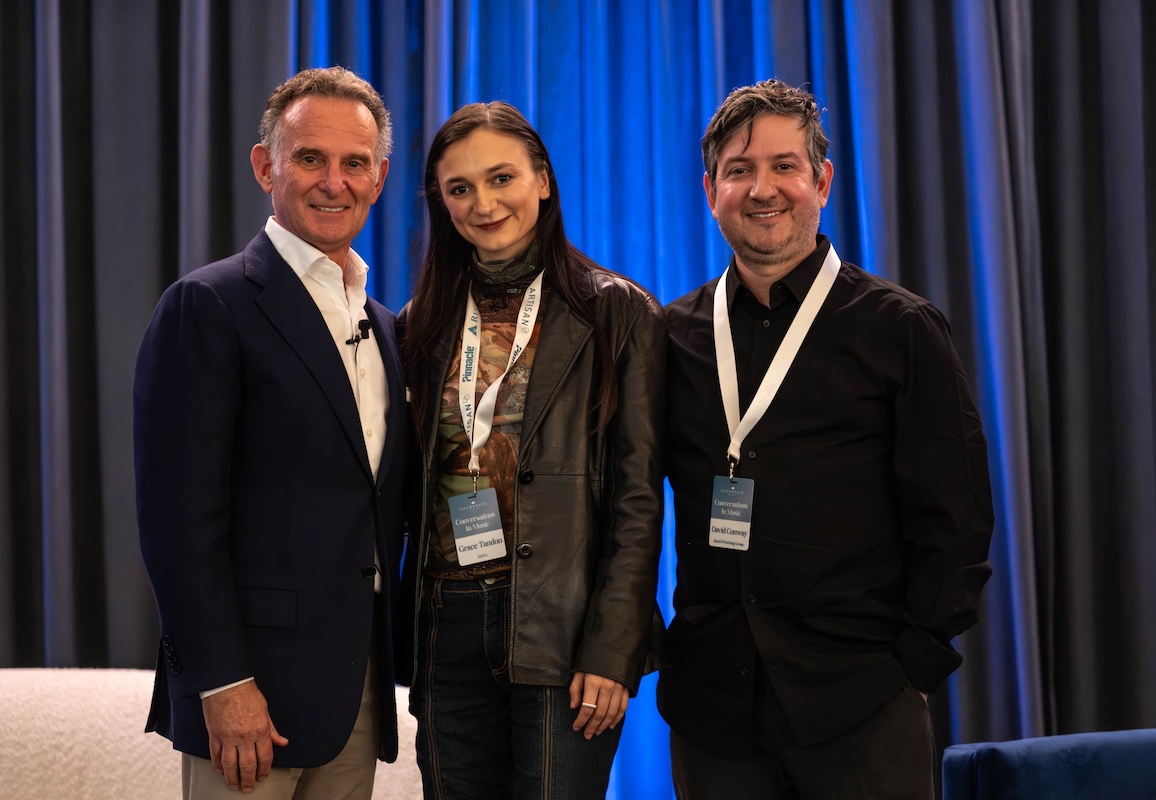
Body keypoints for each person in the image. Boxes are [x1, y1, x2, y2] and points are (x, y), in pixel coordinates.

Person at [658, 79, 994, 799]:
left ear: (822, 181)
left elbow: (955, 518)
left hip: (860, 704)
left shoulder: (900, 329)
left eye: (784, 166)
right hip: (714, 709)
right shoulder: (671, 336)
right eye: (739, 171)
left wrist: (915, 664)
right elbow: (624, 501)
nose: (762, 189)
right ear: (710, 189)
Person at [134, 66, 410, 800]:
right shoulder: (209, 305)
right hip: (248, 699)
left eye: (355, 163)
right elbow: (176, 523)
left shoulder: (385, 326)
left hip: (356, 692)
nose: (334, 182)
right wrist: (221, 683)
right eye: (310, 158)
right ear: (266, 167)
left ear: (379, 178)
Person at [398, 101, 666, 800]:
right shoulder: (417, 325)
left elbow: (639, 500)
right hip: (445, 625)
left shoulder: (619, 312)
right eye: (459, 189)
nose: (482, 204)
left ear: (542, 181)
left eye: (501, 178)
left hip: (562, 626)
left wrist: (613, 651)